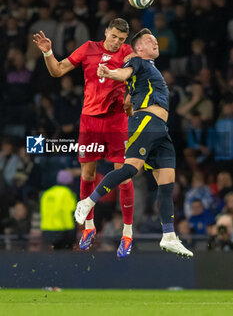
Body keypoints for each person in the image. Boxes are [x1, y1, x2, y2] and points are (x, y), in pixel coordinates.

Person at [75, 28, 193, 258]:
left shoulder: (150, 69)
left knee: (166, 184)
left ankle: (169, 236)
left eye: (156, 40)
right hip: (146, 121)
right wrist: (109, 73)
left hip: (161, 129)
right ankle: (88, 202)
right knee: (130, 169)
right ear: (139, 48)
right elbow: (124, 73)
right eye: (150, 41)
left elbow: (130, 90)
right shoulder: (139, 61)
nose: (155, 42)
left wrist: (128, 99)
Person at [33, 18, 135, 255]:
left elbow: (132, 74)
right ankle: (88, 227)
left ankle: (128, 232)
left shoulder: (128, 52)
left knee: (123, 174)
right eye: (114, 37)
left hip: (116, 119)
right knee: (88, 173)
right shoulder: (88, 48)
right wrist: (48, 52)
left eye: (121, 39)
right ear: (106, 33)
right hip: (89, 120)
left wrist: (128, 95)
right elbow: (57, 70)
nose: (116, 43)